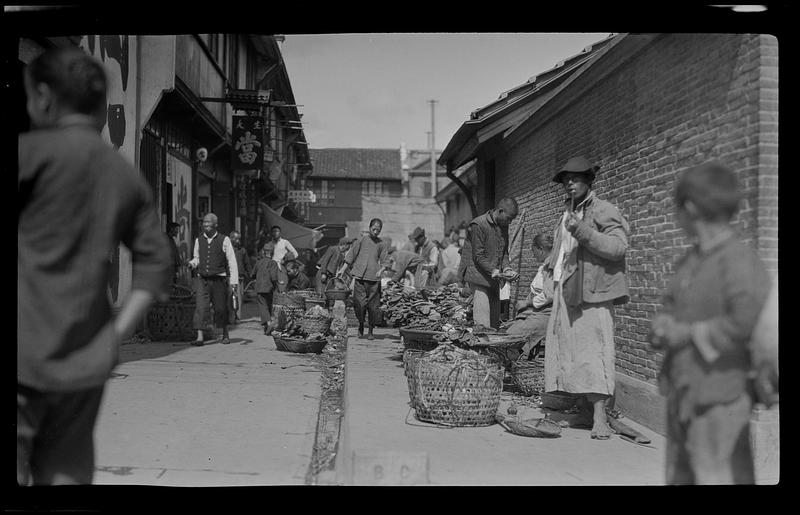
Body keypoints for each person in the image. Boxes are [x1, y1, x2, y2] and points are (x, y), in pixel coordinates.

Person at [18, 47, 172, 485]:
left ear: (44, 97)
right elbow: (156, 262)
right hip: (85, 364)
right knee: (66, 475)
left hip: (22, 356)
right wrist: (114, 336)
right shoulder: (122, 175)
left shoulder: (28, 154)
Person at [648, 161, 771, 485]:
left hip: (721, 400)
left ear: (689, 208)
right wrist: (662, 326)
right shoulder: (690, 261)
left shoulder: (740, 262)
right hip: (683, 393)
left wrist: (686, 333)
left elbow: (743, 323)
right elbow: (672, 306)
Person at [543, 156, 629, 441]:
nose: (569, 183)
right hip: (567, 291)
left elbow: (618, 248)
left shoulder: (604, 210)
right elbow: (564, 251)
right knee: (571, 352)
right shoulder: (567, 213)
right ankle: (583, 410)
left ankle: (601, 418)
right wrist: (550, 266)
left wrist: (582, 230)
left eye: (576, 178)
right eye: (566, 179)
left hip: (593, 293)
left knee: (595, 353)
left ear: (589, 182)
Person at [463, 198, 519, 330]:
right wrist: (493, 270)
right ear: (500, 211)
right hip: (479, 278)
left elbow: (504, 252)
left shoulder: (503, 225)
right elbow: (478, 256)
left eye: (512, 219)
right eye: (509, 218)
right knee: (482, 324)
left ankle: (491, 349)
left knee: (494, 323)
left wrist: (507, 268)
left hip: (494, 278)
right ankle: (481, 349)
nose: (510, 222)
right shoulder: (479, 224)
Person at [188, 213, 239, 346]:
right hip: (202, 279)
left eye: (208, 222)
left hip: (219, 280)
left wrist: (234, 282)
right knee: (201, 307)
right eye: (204, 222)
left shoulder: (225, 240)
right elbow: (197, 258)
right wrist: (192, 263)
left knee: (221, 308)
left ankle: (225, 333)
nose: (205, 225)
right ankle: (199, 337)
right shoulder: (198, 240)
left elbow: (232, 261)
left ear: (215, 224)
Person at [505, 233, 554, 360]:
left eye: (534, 252)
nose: (533, 255)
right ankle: (515, 359)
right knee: (506, 330)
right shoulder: (545, 266)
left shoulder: (552, 266)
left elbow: (550, 295)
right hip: (536, 311)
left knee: (512, 335)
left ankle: (515, 361)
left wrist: (527, 303)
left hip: (546, 313)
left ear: (541, 249)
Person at [338, 218, 389, 340]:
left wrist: (381, 270)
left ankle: (371, 330)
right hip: (360, 277)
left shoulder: (381, 244)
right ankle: (361, 324)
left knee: (373, 306)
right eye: (374, 229)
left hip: (374, 279)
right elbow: (351, 255)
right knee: (359, 304)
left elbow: (385, 260)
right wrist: (342, 269)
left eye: (378, 230)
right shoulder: (361, 240)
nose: (376, 232)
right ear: (370, 227)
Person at [251, 242, 280, 335]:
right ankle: (268, 324)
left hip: (259, 288)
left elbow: (252, 274)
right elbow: (274, 277)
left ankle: (268, 323)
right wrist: (277, 284)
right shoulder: (273, 263)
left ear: (263, 252)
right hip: (269, 288)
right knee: (268, 305)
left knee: (263, 306)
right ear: (273, 252)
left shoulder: (258, 262)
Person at [264, 225, 298, 293]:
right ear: (271, 233)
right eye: (273, 231)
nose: (275, 233)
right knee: (272, 286)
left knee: (282, 286)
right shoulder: (269, 244)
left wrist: (286, 260)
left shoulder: (285, 242)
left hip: (282, 268)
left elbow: (295, 254)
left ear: (280, 233)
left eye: (277, 231)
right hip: (271, 268)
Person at [229, 230, 251, 324]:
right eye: (236, 239)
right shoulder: (226, 249)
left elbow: (247, 263)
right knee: (229, 297)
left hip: (240, 277)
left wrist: (251, 274)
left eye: (239, 239)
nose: (238, 241)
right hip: (229, 277)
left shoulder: (242, 250)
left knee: (239, 298)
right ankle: (230, 317)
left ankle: (237, 317)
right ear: (231, 238)